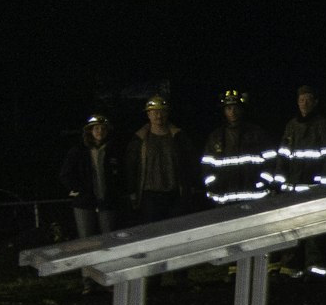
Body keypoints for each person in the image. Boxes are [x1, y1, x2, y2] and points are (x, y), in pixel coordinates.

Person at [274, 83, 326, 277]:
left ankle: (316, 269)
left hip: (314, 189)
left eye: (308, 99)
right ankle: (290, 268)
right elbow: (283, 156)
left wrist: (324, 186)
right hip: (293, 189)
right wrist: (280, 183)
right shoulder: (291, 126)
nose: (304, 103)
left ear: (316, 102)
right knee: (292, 229)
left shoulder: (323, 126)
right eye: (301, 99)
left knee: (316, 232)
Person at [126, 95, 197, 224]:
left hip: (175, 193)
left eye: (162, 111)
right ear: (148, 114)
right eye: (155, 112)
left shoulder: (179, 138)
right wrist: (132, 192)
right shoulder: (139, 140)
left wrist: (190, 187)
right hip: (150, 195)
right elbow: (131, 167)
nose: (159, 116)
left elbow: (190, 164)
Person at [200, 88, 275, 207]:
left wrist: (262, 183)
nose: (232, 112)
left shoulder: (257, 133)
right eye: (228, 108)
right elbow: (206, 166)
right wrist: (214, 185)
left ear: (242, 109)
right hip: (224, 200)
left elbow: (271, 161)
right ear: (224, 111)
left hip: (254, 198)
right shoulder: (215, 137)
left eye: (235, 108)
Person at [59, 113, 123, 240]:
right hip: (84, 203)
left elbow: (121, 175)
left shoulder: (113, 150)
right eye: (96, 128)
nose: (100, 131)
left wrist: (117, 193)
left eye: (103, 128)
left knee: (110, 239)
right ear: (90, 131)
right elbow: (65, 174)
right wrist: (77, 190)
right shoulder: (78, 151)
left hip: (107, 202)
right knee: (87, 240)